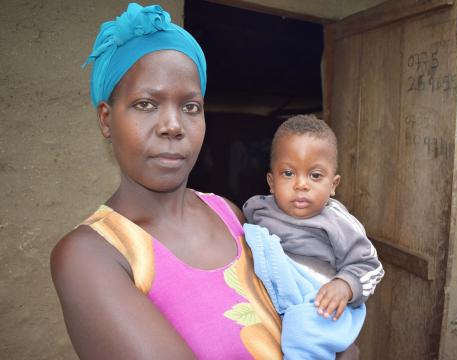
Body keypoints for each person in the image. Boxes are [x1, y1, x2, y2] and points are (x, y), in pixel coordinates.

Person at [50, 4, 282, 359]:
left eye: (190, 106)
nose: (173, 125)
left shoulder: (228, 215)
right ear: (106, 119)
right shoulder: (91, 255)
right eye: (146, 104)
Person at [242, 114, 385, 358]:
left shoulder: (337, 222)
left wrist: (344, 286)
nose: (301, 184)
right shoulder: (257, 210)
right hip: (275, 301)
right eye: (288, 173)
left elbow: (370, 266)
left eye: (315, 176)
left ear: (333, 184)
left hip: (318, 305)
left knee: (304, 332)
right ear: (271, 181)